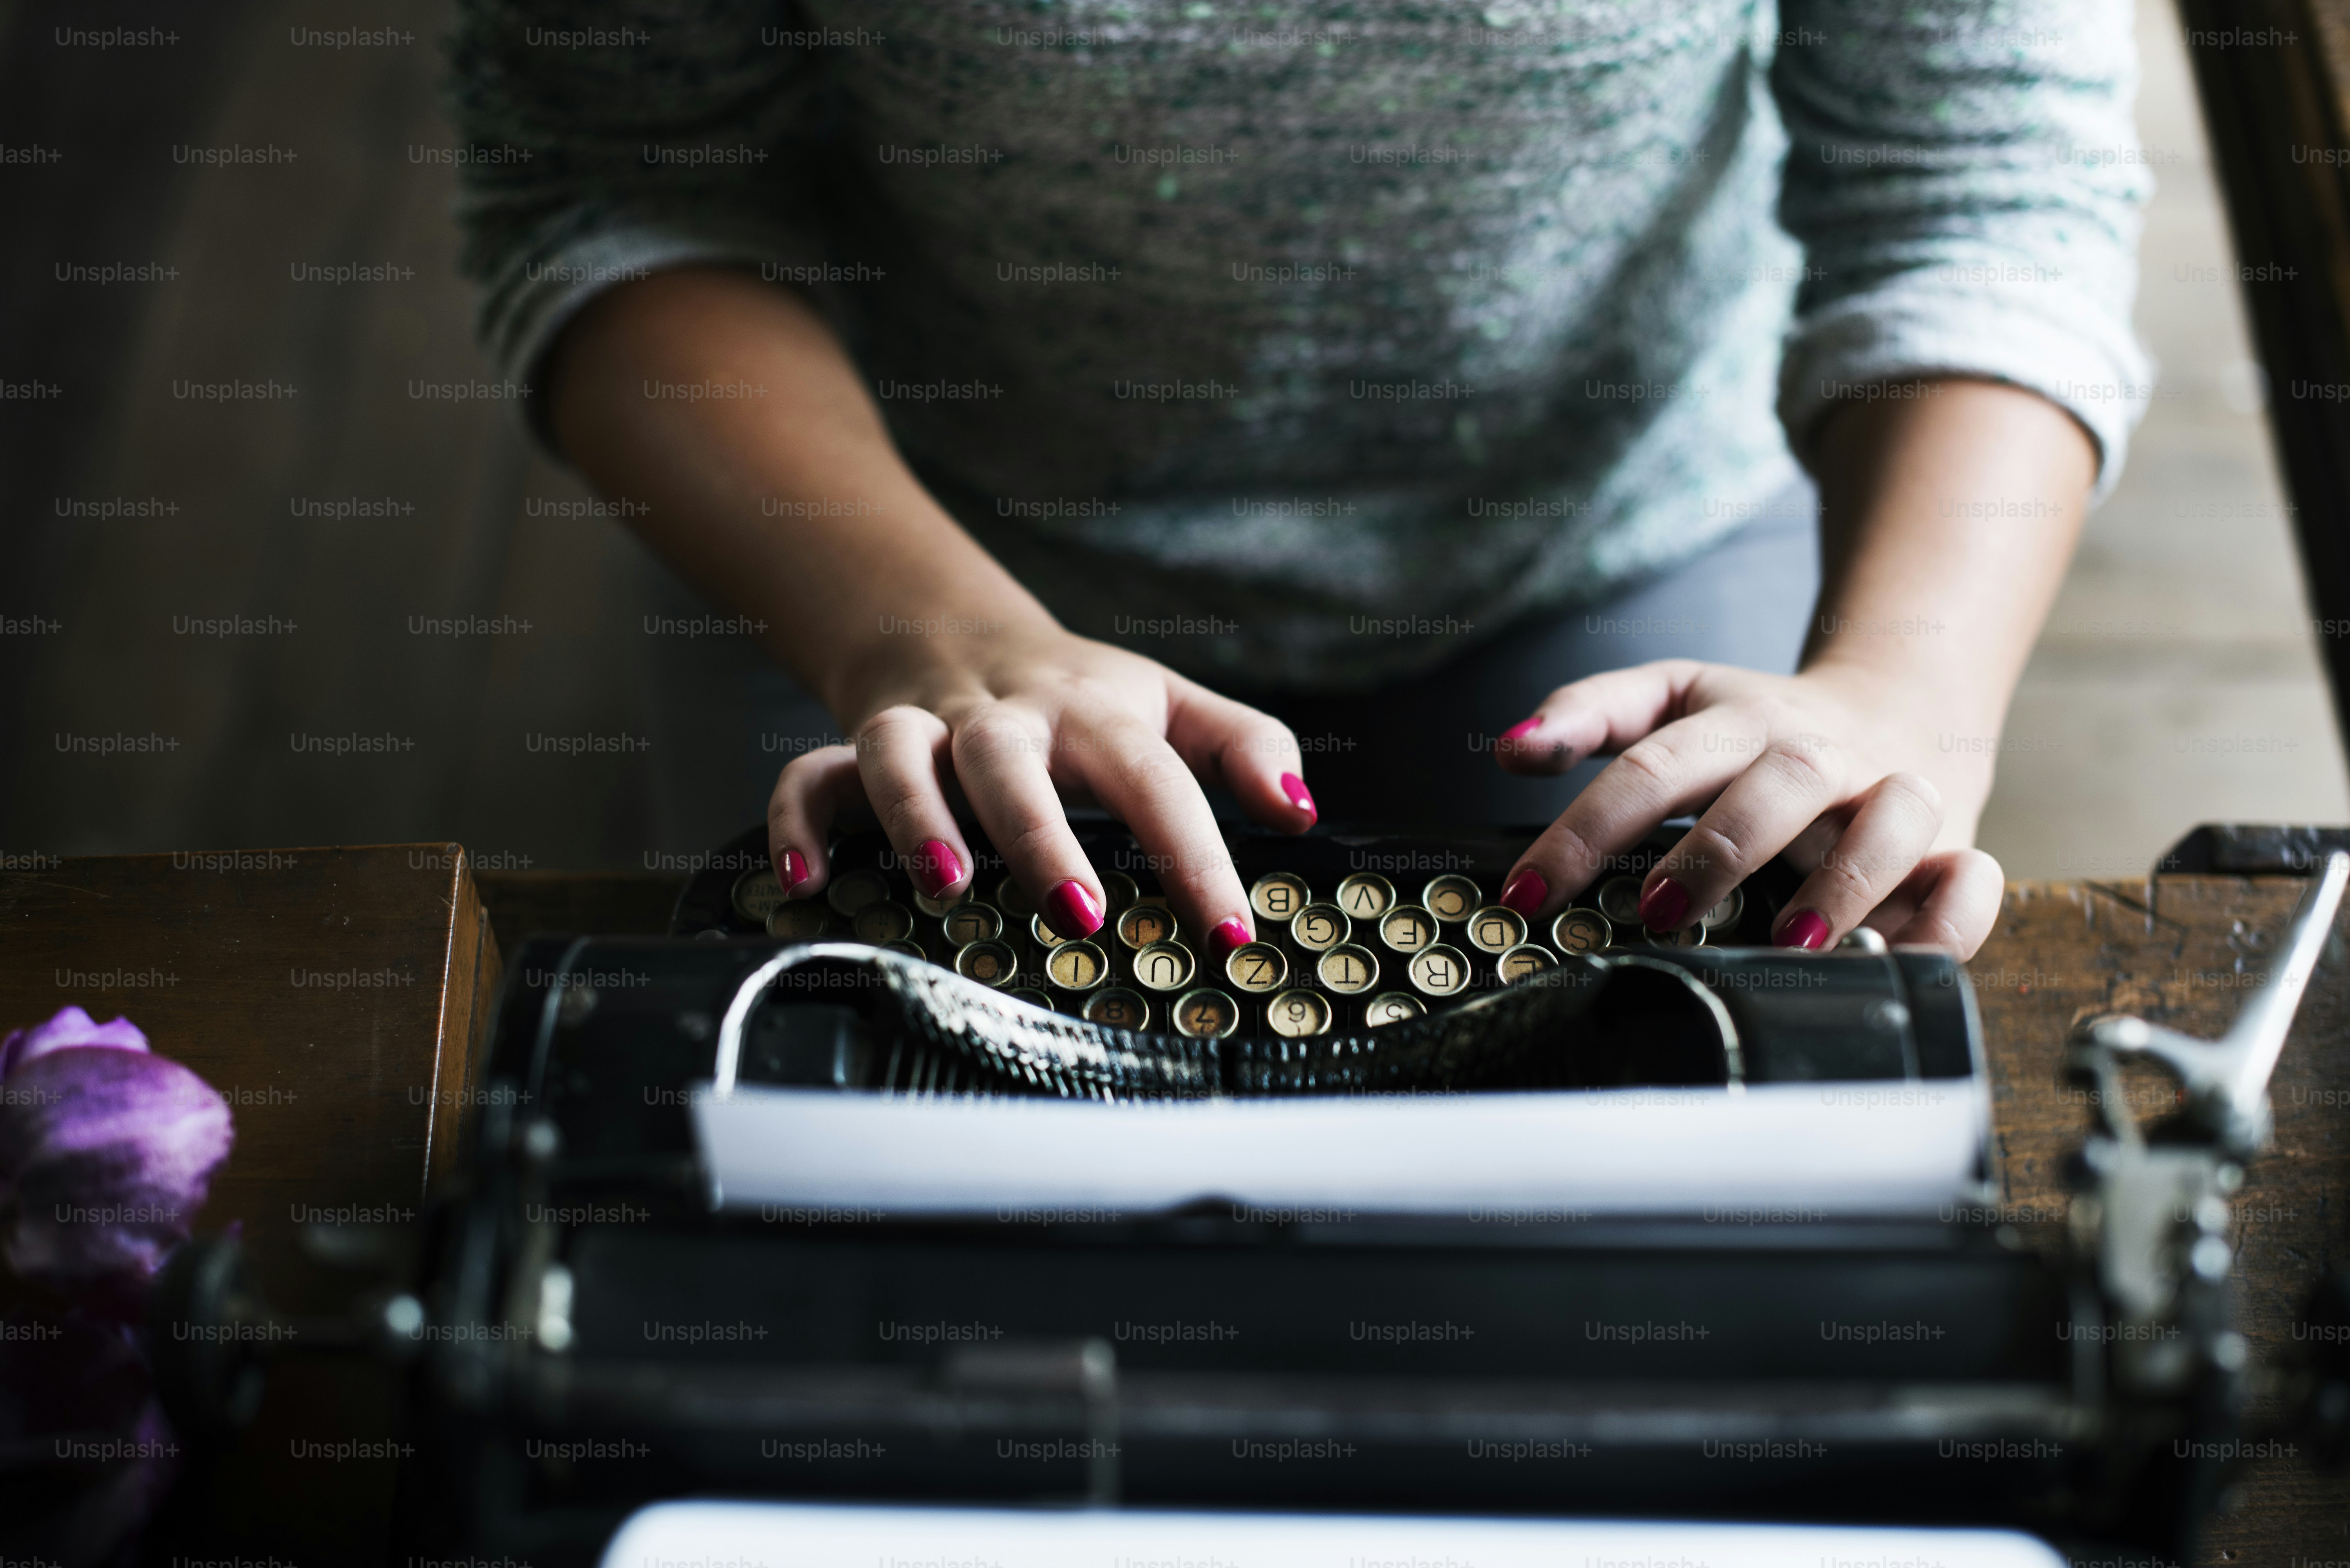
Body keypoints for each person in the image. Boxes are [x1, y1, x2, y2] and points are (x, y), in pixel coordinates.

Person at [450, 0, 2148, 963]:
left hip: (1614, 540)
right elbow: (629, 183)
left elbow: (1989, 188)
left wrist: (1906, 687)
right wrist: (924, 627)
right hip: (912, 536)